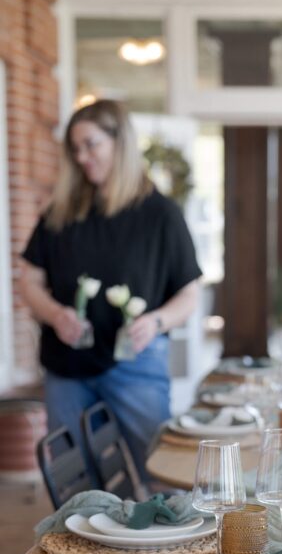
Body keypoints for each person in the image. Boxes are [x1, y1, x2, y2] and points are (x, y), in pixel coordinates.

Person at [19, 99, 200, 485]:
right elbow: (29, 281)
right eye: (76, 148)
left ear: (120, 142)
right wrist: (55, 314)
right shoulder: (60, 213)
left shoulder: (160, 214)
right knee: (74, 486)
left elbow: (189, 294)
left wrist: (155, 321)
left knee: (161, 479)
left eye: (91, 144)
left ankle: (167, 548)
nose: (82, 157)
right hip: (66, 368)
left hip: (138, 362)